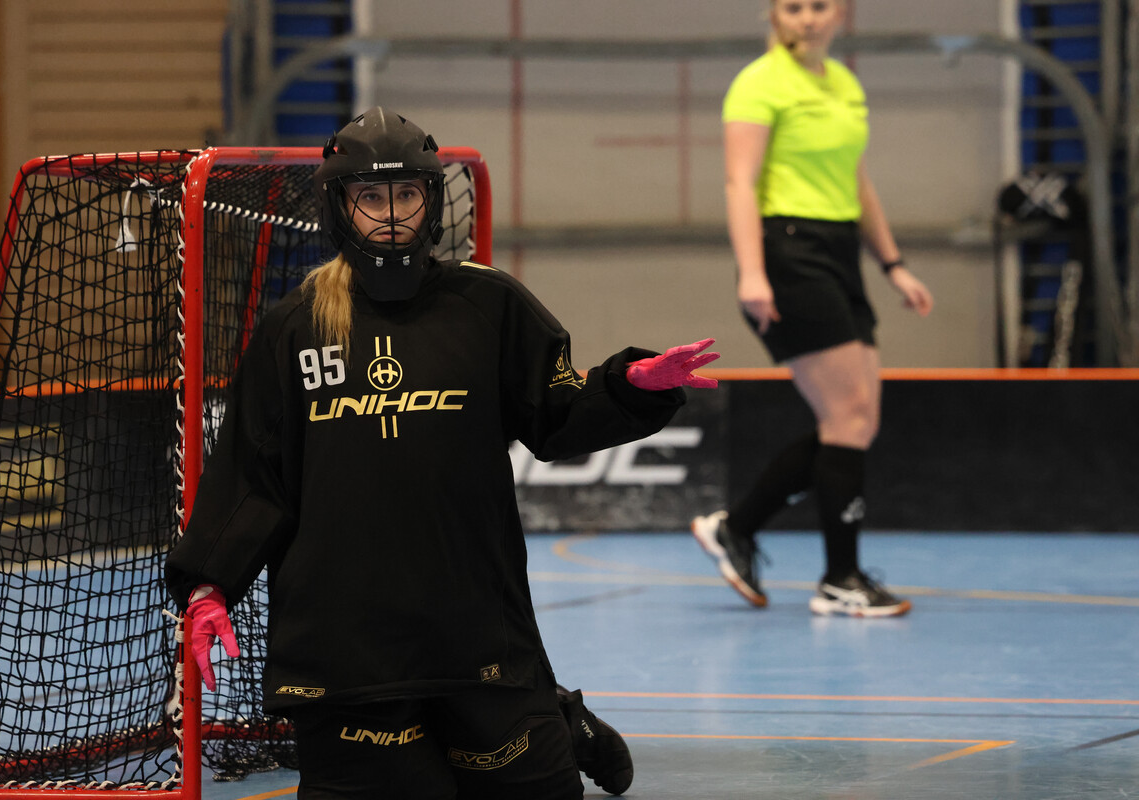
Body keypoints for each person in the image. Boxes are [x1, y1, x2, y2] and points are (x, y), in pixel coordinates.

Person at [166, 107, 719, 799]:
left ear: (430, 202)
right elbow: (252, 473)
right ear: (339, 206)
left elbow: (557, 413)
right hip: (345, 645)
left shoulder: (489, 305)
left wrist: (630, 386)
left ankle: (556, 715)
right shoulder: (294, 329)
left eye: (406, 194)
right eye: (371, 197)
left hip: (475, 629)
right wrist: (209, 583)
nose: (391, 214)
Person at [692, 0, 933, 618]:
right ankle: (839, 579)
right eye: (793, 7)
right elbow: (739, 183)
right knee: (849, 417)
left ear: (840, 14)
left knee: (855, 420)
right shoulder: (759, 83)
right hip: (787, 250)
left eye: (819, 6)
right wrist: (752, 271)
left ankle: (736, 528)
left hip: (840, 249)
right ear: (775, 15)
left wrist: (893, 264)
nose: (807, 18)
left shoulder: (845, 85)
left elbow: (857, 181)